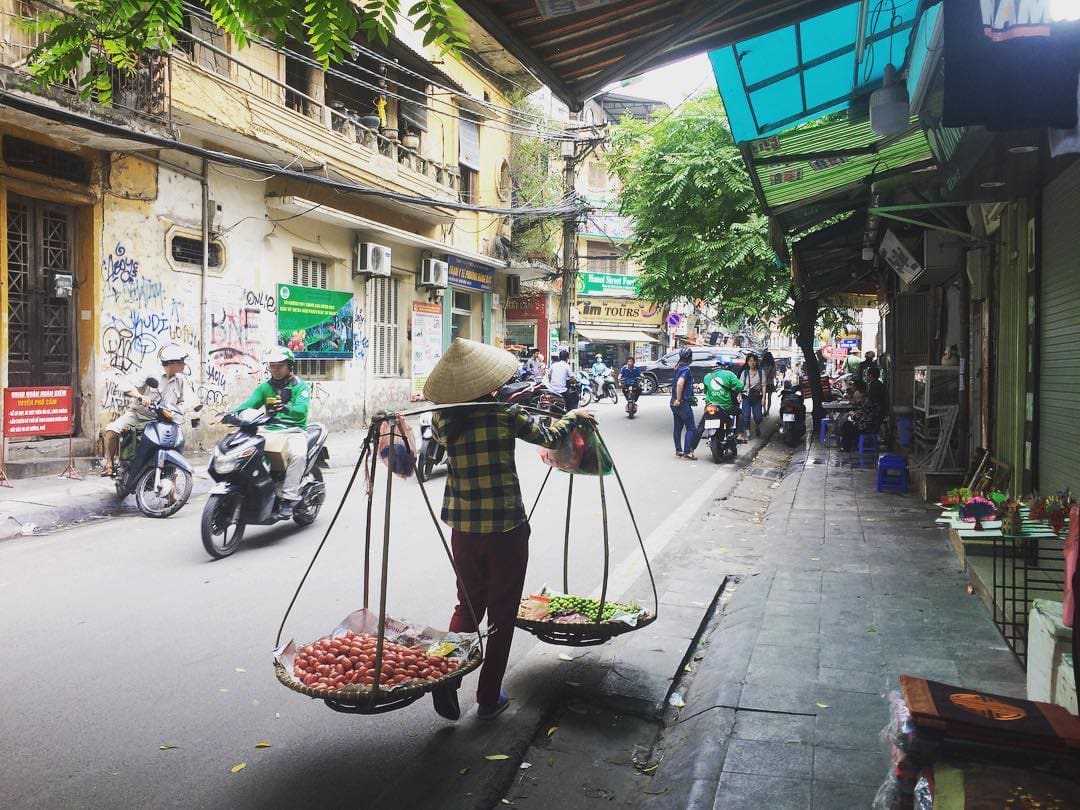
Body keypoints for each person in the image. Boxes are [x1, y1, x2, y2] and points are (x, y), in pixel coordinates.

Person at [424, 338, 595, 722]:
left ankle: (446, 678)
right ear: (490, 384)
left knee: (466, 606)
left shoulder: (444, 419)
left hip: (464, 531)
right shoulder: (505, 414)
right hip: (506, 529)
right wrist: (573, 417)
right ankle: (487, 698)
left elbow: (438, 438)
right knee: (502, 615)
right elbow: (550, 438)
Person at [228, 348, 311, 518]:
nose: (275, 369)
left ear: (289, 366)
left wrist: (286, 408)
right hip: (268, 430)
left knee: (298, 455)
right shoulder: (265, 388)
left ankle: (289, 498)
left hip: (294, 432)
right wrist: (229, 414)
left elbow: (301, 410)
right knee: (246, 452)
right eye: (272, 366)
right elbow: (250, 403)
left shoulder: (300, 387)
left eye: (280, 366)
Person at [101, 344, 195, 476]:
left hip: (163, 421)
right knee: (112, 430)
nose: (184, 365)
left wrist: (180, 411)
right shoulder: (151, 373)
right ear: (172, 363)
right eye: (182, 362)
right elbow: (125, 385)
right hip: (138, 415)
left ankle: (172, 484)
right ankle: (109, 464)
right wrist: (139, 396)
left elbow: (182, 402)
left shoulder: (180, 380)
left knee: (175, 446)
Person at [690, 361, 744, 453]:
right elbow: (740, 386)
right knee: (740, 413)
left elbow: (706, 392)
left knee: (700, 427)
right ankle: (739, 434)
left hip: (710, 406)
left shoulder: (707, 376)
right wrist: (734, 389)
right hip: (726, 406)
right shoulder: (729, 374)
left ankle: (691, 450)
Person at [670, 347, 697, 459]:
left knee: (678, 427)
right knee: (691, 428)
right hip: (682, 403)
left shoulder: (677, 368)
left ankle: (678, 451)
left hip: (673, 403)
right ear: (690, 358)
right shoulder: (685, 369)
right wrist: (679, 399)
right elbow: (680, 384)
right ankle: (687, 452)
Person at [838, 381, 881, 452]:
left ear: (862, 396)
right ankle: (852, 444)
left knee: (846, 425)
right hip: (871, 424)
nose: (857, 401)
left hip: (868, 427)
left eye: (858, 398)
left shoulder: (867, 403)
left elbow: (859, 417)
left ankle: (846, 448)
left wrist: (853, 414)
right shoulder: (868, 401)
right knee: (848, 424)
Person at [739, 352, 765, 441]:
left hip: (757, 397)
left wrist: (764, 398)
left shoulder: (761, 372)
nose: (752, 363)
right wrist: (739, 394)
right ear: (747, 362)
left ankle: (757, 426)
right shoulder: (744, 373)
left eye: (754, 361)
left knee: (758, 417)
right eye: (750, 361)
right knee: (746, 416)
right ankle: (747, 431)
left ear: (756, 362)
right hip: (746, 396)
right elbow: (740, 384)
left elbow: (764, 385)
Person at [761, 351, 777, 415]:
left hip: (763, 383)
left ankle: (764, 410)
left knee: (763, 397)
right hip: (770, 383)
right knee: (769, 398)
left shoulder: (762, 365)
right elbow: (774, 375)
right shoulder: (773, 365)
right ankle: (768, 411)